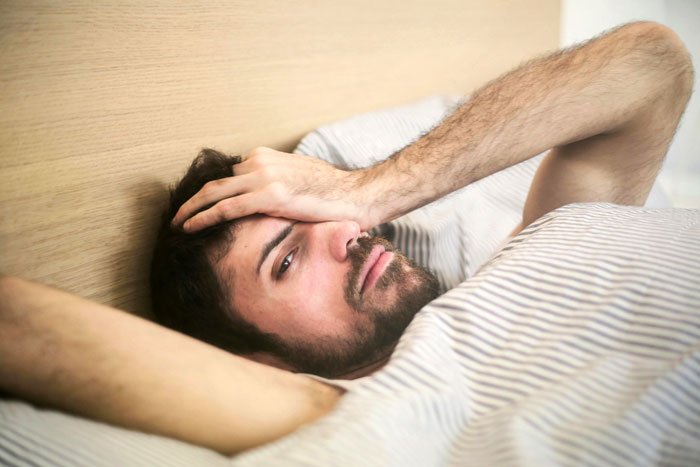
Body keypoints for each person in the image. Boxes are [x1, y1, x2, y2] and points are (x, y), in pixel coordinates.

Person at [0, 21, 695, 458]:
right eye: (288, 257)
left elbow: (652, 65)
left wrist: (369, 188)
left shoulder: (526, 255)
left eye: (321, 216)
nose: (347, 234)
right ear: (259, 361)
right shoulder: (343, 412)